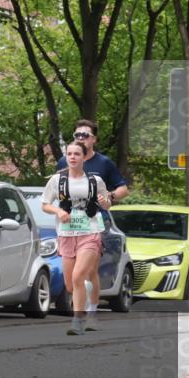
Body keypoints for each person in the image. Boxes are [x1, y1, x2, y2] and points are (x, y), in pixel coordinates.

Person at [56, 119, 128, 326]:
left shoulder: (103, 163)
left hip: (96, 220)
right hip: (70, 224)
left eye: (84, 135)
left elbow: (123, 189)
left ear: (93, 140)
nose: (80, 139)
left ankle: (91, 311)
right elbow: (56, 190)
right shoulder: (63, 162)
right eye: (77, 135)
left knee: (88, 270)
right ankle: (82, 301)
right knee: (72, 280)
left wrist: (109, 197)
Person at [43, 141, 111, 335]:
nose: (72, 157)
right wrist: (58, 211)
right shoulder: (58, 180)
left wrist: (105, 202)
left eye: (76, 154)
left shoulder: (95, 181)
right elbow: (45, 204)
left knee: (79, 275)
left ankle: (80, 319)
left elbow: (106, 205)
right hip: (66, 234)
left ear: (84, 157)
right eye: (69, 154)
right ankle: (87, 304)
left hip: (90, 232)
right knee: (70, 284)